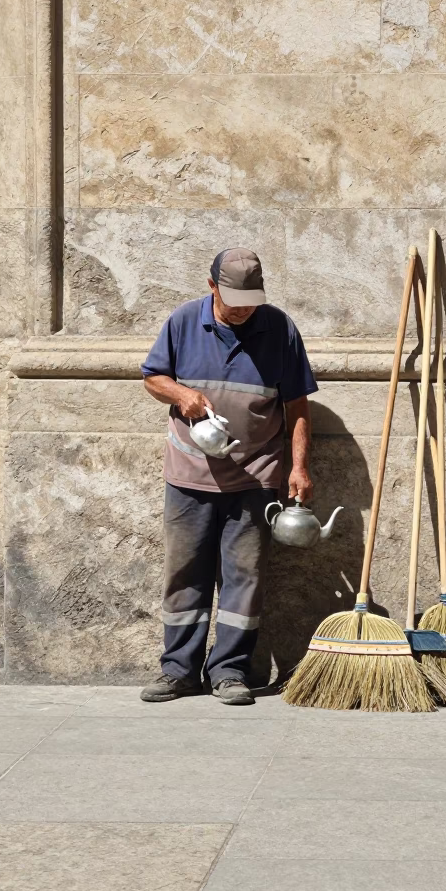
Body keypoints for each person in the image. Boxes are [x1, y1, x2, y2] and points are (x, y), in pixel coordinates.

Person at [139, 248, 317, 705]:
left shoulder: (279, 328)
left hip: (255, 476)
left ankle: (231, 672)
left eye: (250, 300)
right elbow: (152, 377)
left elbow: (297, 406)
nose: (243, 309)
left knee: (244, 577)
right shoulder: (183, 321)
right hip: (188, 474)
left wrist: (298, 467)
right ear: (212, 284)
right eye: (234, 298)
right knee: (184, 575)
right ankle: (178, 670)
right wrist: (181, 395)